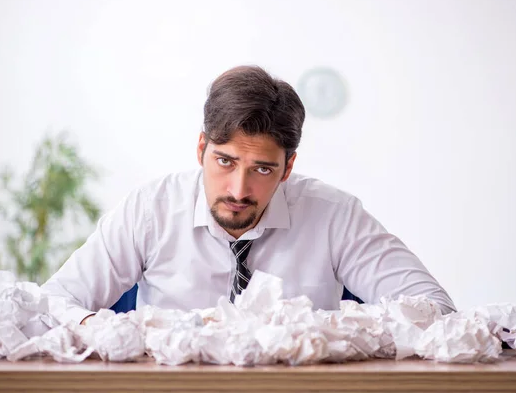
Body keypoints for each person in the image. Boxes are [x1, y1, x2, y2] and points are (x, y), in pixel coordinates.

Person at [41, 65, 456, 326]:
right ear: (201, 149)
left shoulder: (334, 215)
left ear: (288, 168)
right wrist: (108, 330)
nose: (239, 191)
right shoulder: (150, 210)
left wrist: (328, 330)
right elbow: (54, 303)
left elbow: (435, 308)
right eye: (225, 162)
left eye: (262, 169)